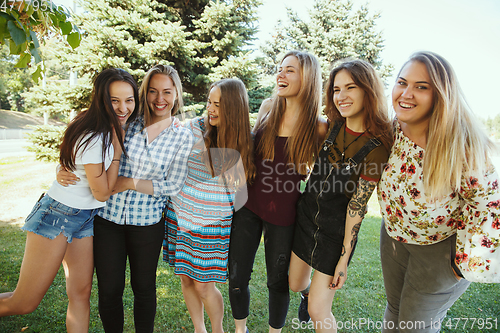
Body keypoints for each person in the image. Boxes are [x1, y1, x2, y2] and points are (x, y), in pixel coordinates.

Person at [58, 64, 194, 333]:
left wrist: (129, 182)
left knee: (143, 288)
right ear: (144, 92)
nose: (159, 99)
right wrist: (65, 167)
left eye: (167, 92)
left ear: (176, 94)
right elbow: (87, 146)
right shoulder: (124, 121)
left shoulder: (182, 136)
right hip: (107, 219)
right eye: (153, 91)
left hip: (148, 223)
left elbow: (174, 184)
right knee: (109, 289)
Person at [0, 68, 138, 332]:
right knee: (24, 302)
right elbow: (101, 193)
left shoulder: (103, 125)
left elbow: (73, 165)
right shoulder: (97, 134)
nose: (123, 108)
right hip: (57, 214)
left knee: (80, 293)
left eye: (129, 100)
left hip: (84, 218)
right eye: (115, 100)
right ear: (101, 98)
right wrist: (120, 154)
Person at [377, 51, 499, 333]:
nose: (406, 93)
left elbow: (490, 207)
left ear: (441, 95)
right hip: (394, 237)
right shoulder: (393, 129)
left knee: (414, 326)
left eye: (421, 87)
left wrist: (462, 263)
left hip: (439, 249)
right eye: (402, 82)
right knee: (394, 314)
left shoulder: (462, 145)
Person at [289, 59, 392, 332]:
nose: (341, 96)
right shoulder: (328, 128)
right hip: (306, 218)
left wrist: (344, 259)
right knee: (295, 283)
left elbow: (357, 207)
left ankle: (313, 300)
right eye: (336, 89)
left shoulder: (377, 149)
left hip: (334, 235)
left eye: (351, 87)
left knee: (318, 310)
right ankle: (307, 291)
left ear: (367, 90)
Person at [228, 50, 328, 333]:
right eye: (280, 69)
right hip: (247, 205)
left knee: (277, 281)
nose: (280, 75)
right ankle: (240, 329)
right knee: (236, 276)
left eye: (289, 70)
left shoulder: (318, 126)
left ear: (307, 78)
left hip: (284, 213)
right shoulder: (269, 107)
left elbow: (322, 175)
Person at [164, 78, 256, 333]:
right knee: (185, 278)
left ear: (234, 109)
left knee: (204, 285)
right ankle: (199, 329)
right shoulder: (190, 129)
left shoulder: (243, 140)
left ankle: (218, 330)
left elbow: (241, 188)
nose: (211, 109)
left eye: (219, 105)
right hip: (181, 216)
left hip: (212, 223)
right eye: (209, 102)